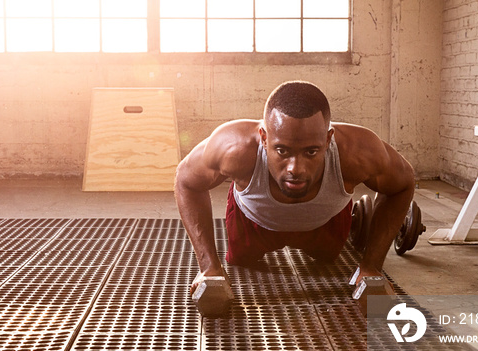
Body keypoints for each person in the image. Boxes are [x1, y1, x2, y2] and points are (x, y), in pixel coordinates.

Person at [174, 80, 415, 298]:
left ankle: (352, 222)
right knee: (242, 262)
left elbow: (403, 184)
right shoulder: (235, 148)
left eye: (311, 152)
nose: (295, 168)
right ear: (264, 138)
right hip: (252, 224)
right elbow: (186, 180)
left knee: (326, 261)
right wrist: (208, 267)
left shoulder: (358, 150)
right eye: (282, 151)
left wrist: (371, 266)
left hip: (325, 225)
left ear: (329, 138)